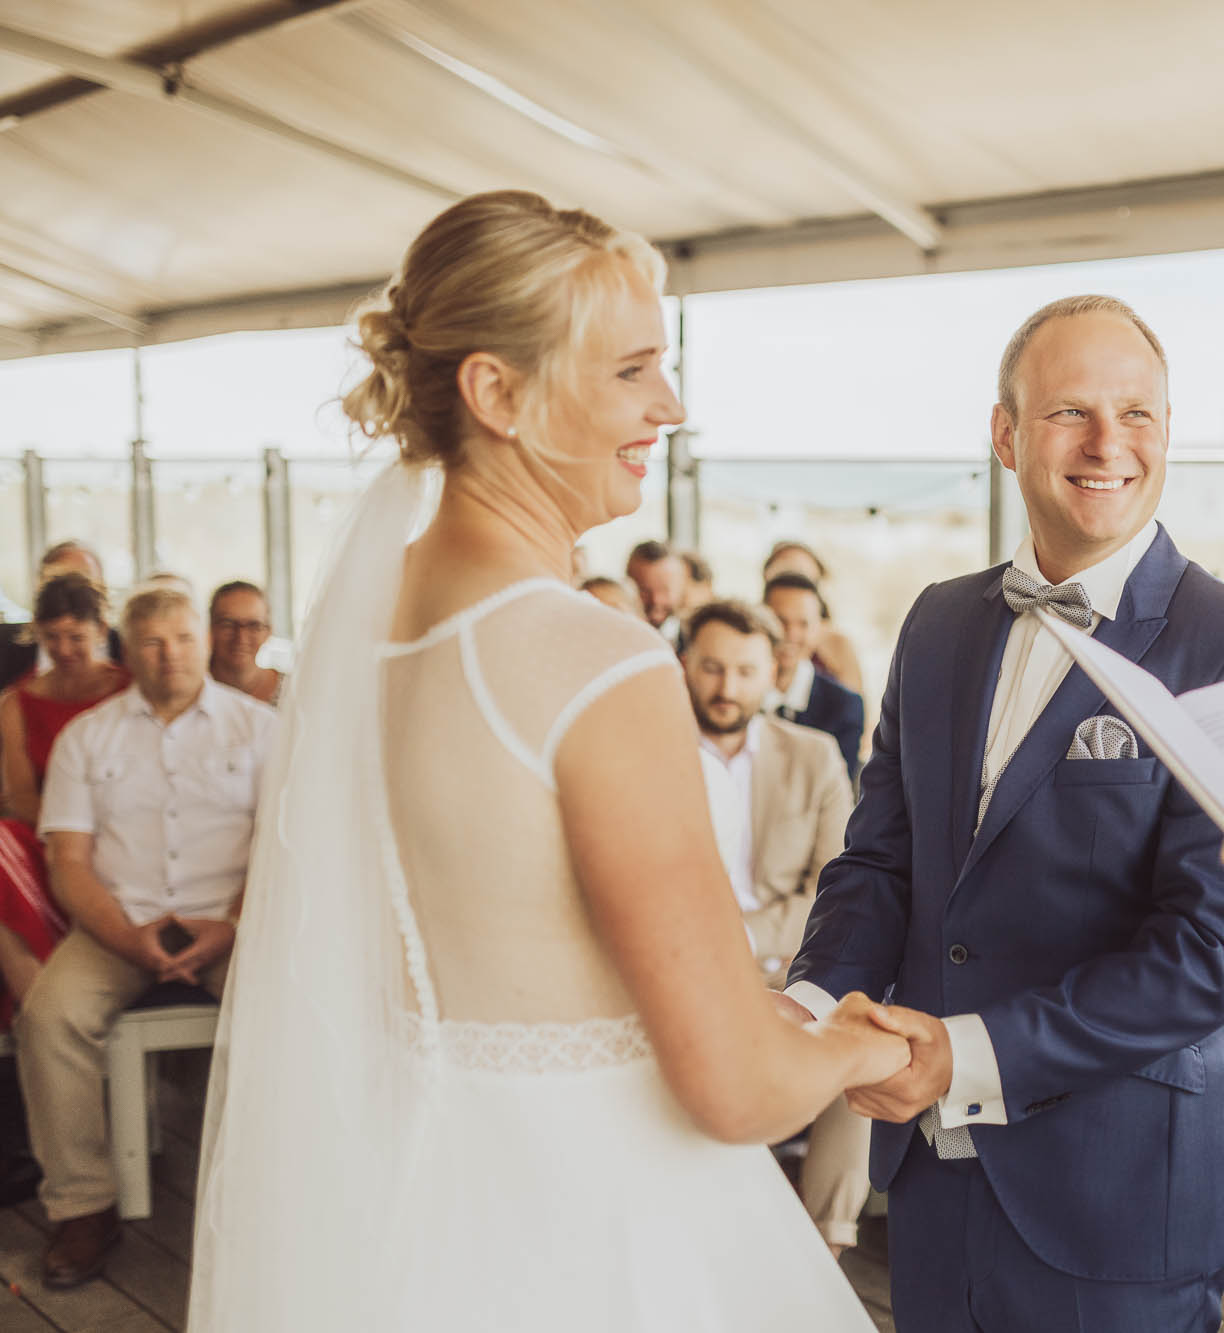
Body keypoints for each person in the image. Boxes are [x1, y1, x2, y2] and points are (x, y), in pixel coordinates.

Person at [188, 190, 906, 1331]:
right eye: (631, 370)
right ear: (496, 392)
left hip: (404, 1213)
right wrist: (853, 1048)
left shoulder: (354, 633)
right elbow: (729, 1087)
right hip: (597, 1229)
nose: (667, 402)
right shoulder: (591, 656)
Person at [784, 294, 1224, 1332]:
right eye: (1070, 411)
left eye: (1138, 413)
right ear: (1004, 435)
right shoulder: (935, 623)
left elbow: (1209, 953)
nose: (1108, 443)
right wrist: (805, 1014)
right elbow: (879, 864)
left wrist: (962, 1051)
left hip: (1115, 1202)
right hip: (928, 1178)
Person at [21, 585, 274, 1288]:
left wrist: (231, 925)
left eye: (184, 639)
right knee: (49, 1015)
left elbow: (279, 846)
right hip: (118, 924)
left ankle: (272, 1186)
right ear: (126, 651)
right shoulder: (87, 735)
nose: (171, 656)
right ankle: (82, 1205)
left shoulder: (261, 730)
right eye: (154, 643)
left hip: (232, 923)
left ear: (204, 640)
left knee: (289, 1006)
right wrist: (127, 938)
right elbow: (67, 859)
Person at [681, 599, 871, 1256]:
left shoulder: (814, 756)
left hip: (792, 961)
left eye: (743, 669)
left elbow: (836, 881)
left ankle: (828, 1241)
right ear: (684, 664)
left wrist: (747, 936)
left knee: (860, 1030)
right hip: (683, 966)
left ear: (774, 672)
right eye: (710, 666)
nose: (725, 686)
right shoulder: (651, 753)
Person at [0, 572, 128, 1016]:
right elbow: (20, 797)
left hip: (127, 833)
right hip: (50, 838)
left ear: (100, 629)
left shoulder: (129, 688)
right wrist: (69, 838)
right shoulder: (17, 703)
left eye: (76, 636)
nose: (65, 649)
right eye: (52, 638)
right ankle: (37, 1008)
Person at [763, 572, 865, 782]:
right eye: (780, 621)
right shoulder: (734, 693)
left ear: (819, 629)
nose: (791, 634)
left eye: (803, 624)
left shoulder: (844, 706)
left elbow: (837, 790)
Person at [0, 543, 118, 690]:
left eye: (84, 582)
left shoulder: (126, 647)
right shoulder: (5, 645)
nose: (64, 650)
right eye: (58, 583)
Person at [762, 541, 864, 695]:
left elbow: (856, 707)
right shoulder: (754, 636)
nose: (791, 634)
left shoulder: (838, 644)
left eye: (801, 574)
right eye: (783, 573)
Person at [206, 582, 284, 705]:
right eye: (228, 624)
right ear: (210, 628)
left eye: (254, 625)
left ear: (268, 632)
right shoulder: (188, 690)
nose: (241, 637)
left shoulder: (293, 691)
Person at [625, 538, 686, 641]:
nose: (656, 600)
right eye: (644, 591)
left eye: (665, 590)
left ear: (681, 587)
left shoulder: (697, 642)